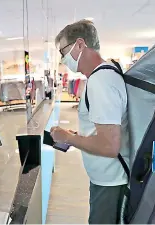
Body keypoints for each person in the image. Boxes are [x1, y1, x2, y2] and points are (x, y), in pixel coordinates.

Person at [50, 20, 129, 224]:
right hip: (107, 179)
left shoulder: (100, 82)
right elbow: (105, 133)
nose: (63, 59)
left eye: (63, 52)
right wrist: (78, 137)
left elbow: (110, 146)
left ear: (79, 44)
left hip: (111, 182)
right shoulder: (103, 75)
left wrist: (67, 137)